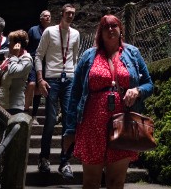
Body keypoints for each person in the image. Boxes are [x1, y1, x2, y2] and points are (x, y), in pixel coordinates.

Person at [62, 15, 154, 189]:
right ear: (100, 32)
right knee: (90, 183)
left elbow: (149, 84)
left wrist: (137, 91)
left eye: (114, 26)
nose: (110, 29)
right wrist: (70, 129)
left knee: (116, 182)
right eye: (106, 27)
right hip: (91, 125)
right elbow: (75, 94)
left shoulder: (133, 53)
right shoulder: (88, 56)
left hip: (123, 125)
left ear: (120, 30)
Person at [35, 4, 80, 178]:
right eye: (68, 13)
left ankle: (64, 162)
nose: (70, 16)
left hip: (69, 80)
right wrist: (40, 79)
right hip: (52, 80)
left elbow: (75, 59)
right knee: (51, 120)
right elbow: (38, 55)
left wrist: (75, 79)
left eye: (73, 13)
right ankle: (44, 158)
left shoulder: (75, 34)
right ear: (61, 14)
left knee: (69, 121)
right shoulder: (49, 32)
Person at [25, 9, 52, 118]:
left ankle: (34, 115)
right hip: (33, 60)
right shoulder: (33, 30)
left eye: (49, 16)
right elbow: (27, 44)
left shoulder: (51, 31)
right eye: (45, 16)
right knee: (31, 84)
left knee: (38, 89)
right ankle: (25, 110)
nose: (48, 17)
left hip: (44, 62)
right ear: (41, 18)